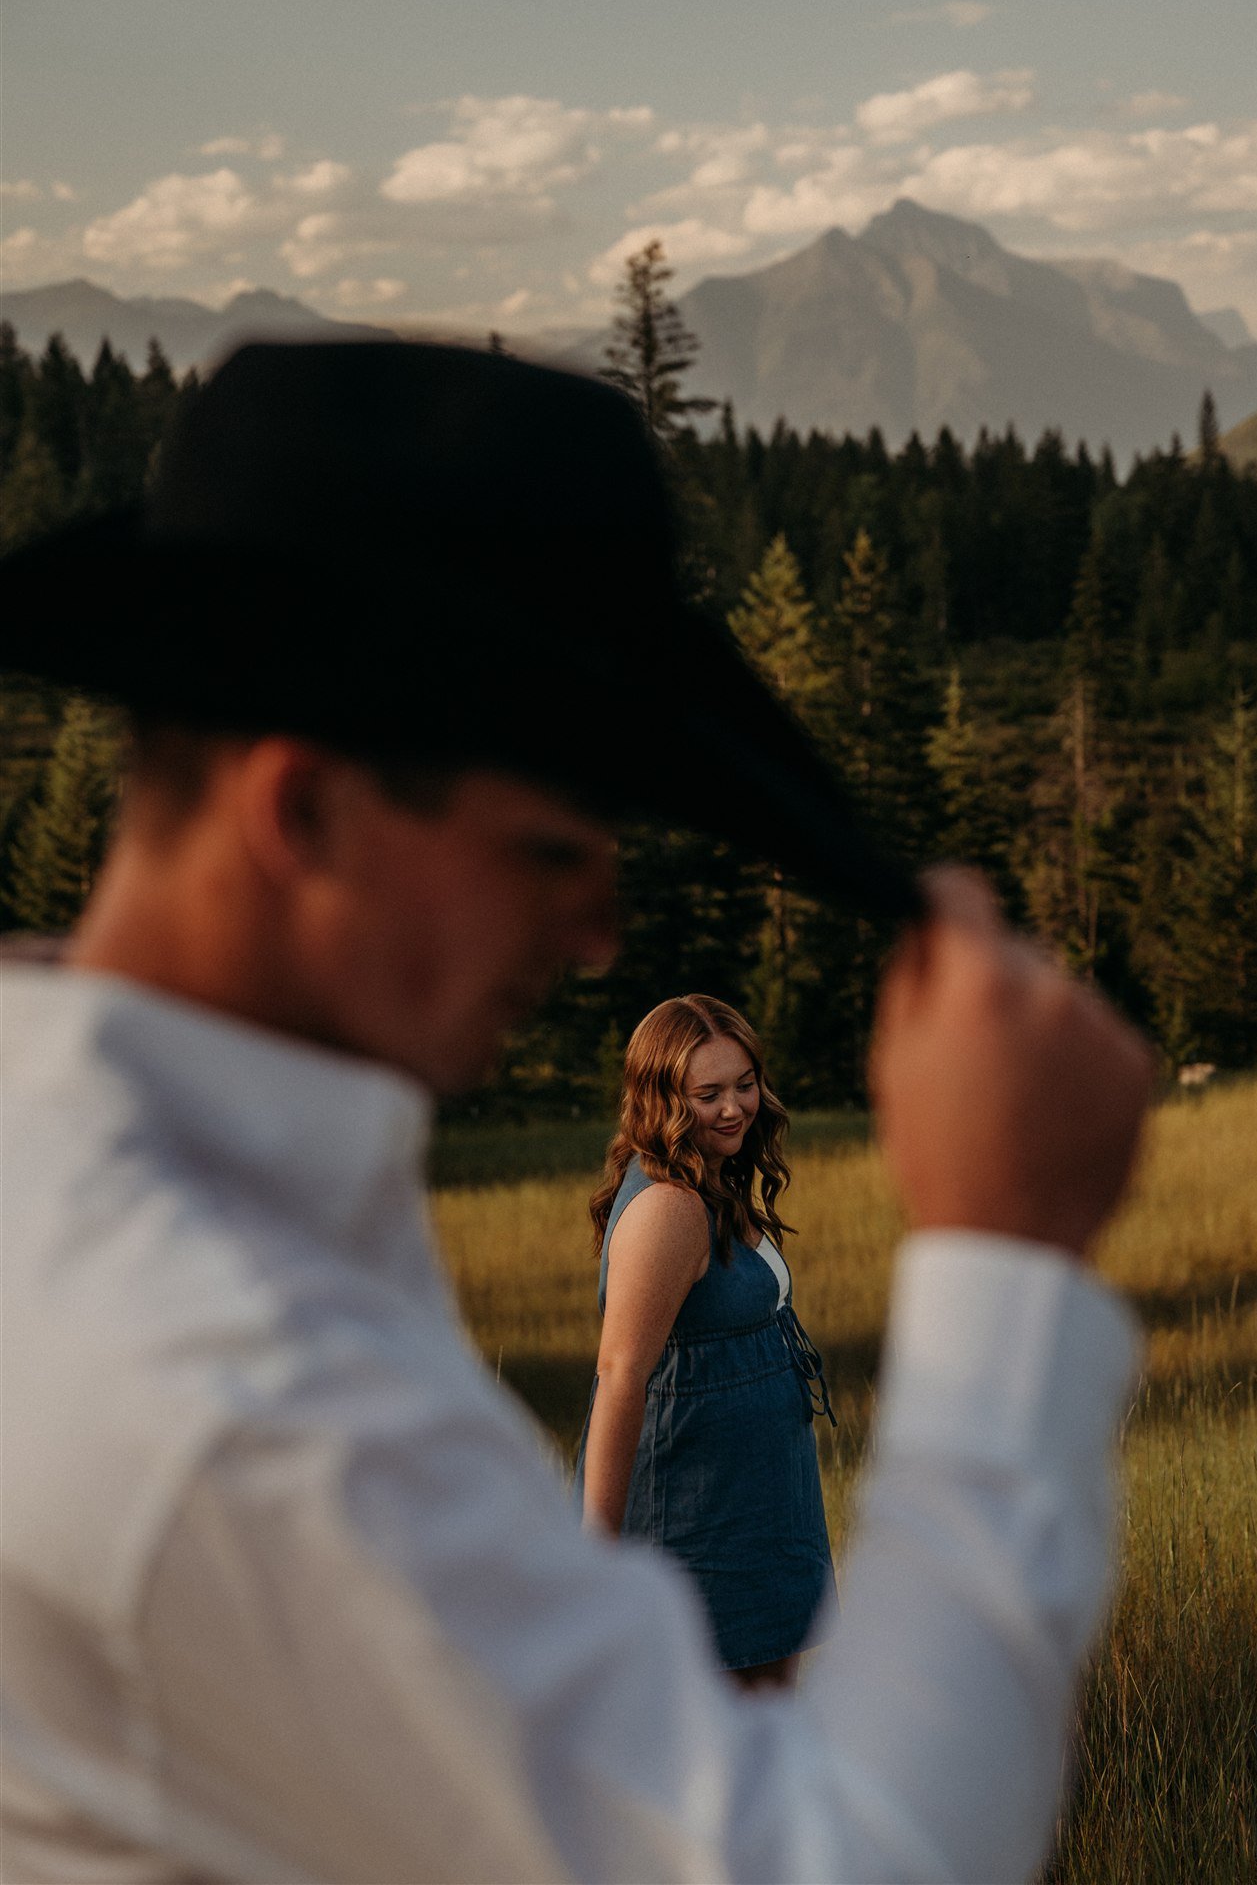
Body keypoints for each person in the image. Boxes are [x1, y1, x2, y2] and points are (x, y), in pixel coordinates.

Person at [0, 340, 1153, 1884]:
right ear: (304, 812)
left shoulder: (77, 1150)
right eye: (551, 851)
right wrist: (1010, 1256)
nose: (598, 934)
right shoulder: (228, 1389)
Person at [578, 995, 835, 1687]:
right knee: (727, 1740)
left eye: (744, 1084)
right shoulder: (670, 1206)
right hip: (698, 1519)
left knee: (763, 1728)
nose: (733, 1108)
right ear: (661, 1097)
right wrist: (595, 1566)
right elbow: (620, 1374)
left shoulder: (711, 1181)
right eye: (707, 1093)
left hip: (756, 1504)